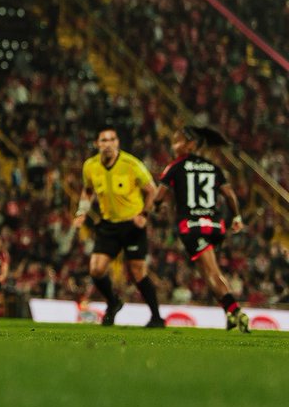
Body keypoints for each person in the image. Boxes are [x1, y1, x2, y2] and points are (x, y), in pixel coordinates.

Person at [155, 125, 250, 333]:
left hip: (192, 227)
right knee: (207, 275)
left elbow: (158, 197)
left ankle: (236, 311)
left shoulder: (175, 166)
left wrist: (157, 206)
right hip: (215, 226)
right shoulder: (213, 167)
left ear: (191, 144)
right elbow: (230, 196)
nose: (174, 146)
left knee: (212, 273)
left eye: (178, 141)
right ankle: (230, 315)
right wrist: (236, 217)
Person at [73, 125, 164, 327]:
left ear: (118, 143)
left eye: (112, 139)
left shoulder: (131, 164)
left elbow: (152, 190)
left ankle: (157, 317)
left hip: (132, 224)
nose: (108, 144)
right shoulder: (90, 166)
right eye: (103, 140)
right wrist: (81, 212)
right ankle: (113, 302)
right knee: (96, 269)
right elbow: (88, 191)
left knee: (138, 271)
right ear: (97, 144)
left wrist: (144, 214)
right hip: (109, 225)